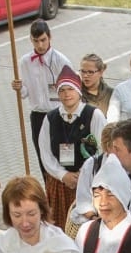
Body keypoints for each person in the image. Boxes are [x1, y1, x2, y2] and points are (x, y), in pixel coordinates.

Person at [38, 66, 105, 229]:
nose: (66, 94)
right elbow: (45, 153)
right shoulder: (50, 118)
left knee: (86, 226)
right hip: (60, 183)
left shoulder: (94, 115)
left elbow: (102, 149)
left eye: (70, 89)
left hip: (88, 180)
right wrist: (63, 175)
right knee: (60, 225)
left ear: (79, 91)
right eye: (62, 90)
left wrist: (83, 174)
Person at [12, 20, 71, 176]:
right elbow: (25, 92)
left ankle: (69, 189)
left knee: (66, 156)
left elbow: (72, 90)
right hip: (38, 115)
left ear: (50, 37)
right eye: (36, 41)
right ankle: (49, 190)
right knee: (43, 155)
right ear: (31, 40)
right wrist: (19, 88)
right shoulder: (25, 62)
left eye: (43, 40)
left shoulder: (61, 61)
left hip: (60, 114)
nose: (40, 45)